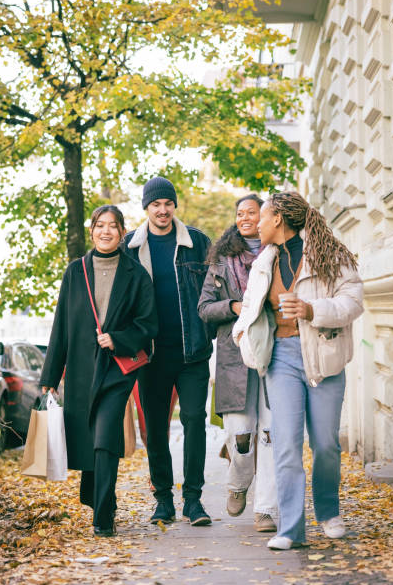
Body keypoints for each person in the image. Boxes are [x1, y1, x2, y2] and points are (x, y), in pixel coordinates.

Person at [232, 191, 364, 550]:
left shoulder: (329, 254)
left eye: (262, 216)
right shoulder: (264, 262)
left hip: (322, 354)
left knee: (324, 444)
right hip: (281, 358)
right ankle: (290, 529)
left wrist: (311, 310)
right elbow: (248, 307)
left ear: (278, 220)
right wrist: (241, 332)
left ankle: (328, 512)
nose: (256, 223)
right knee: (286, 445)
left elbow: (353, 301)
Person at [40, 205, 157, 537]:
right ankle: (99, 498)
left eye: (113, 226)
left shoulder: (136, 275)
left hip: (116, 369)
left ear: (122, 232)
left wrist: (117, 339)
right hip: (80, 369)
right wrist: (50, 377)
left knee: (105, 438)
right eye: (100, 225)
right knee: (89, 439)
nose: (106, 231)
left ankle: (103, 517)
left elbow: (148, 324)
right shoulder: (75, 272)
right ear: (92, 231)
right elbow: (61, 325)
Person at [124, 176, 213, 526]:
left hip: (192, 352)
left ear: (174, 206)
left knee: (194, 420)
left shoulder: (197, 243)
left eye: (168, 203)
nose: (162, 210)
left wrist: (210, 333)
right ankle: (163, 499)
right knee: (156, 428)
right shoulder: (130, 246)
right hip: (151, 355)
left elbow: (215, 291)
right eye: (155, 204)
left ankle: (193, 500)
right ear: (146, 207)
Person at [198, 194, 277, 531]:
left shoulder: (279, 254)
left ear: (265, 218)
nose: (245, 218)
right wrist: (232, 307)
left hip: (276, 352)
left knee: (272, 435)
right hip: (235, 355)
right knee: (241, 437)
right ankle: (237, 484)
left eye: (252, 212)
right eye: (240, 213)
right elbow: (204, 308)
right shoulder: (221, 262)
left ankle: (266, 510)